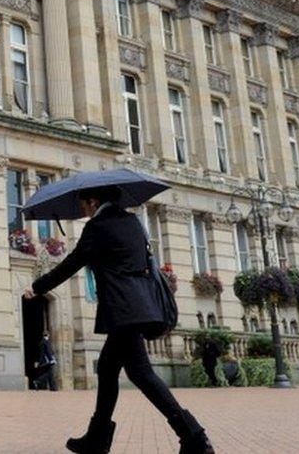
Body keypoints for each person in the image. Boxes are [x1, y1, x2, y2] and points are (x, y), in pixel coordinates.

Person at [23, 186, 213, 454]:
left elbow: (72, 263)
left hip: (123, 311)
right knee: (109, 369)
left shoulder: (98, 226)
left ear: (94, 200)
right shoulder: (132, 221)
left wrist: (38, 286)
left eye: (84, 205)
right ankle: (97, 439)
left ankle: (194, 436)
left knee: (141, 374)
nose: (83, 210)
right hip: (138, 307)